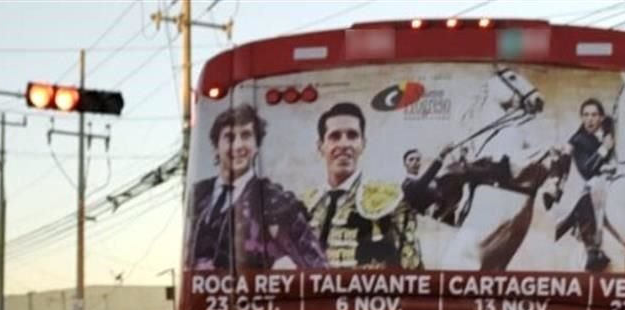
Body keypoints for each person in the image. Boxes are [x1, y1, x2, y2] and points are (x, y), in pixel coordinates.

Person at [186, 103, 326, 270]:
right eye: (229, 138)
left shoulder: (276, 202)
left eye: (246, 136)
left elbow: (317, 267)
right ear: (216, 146)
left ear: (257, 146)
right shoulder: (198, 193)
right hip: (201, 295)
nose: (238, 146)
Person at [304, 102, 424, 269]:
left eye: (352, 135)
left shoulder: (389, 201)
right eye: (334, 136)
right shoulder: (305, 205)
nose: (344, 144)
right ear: (320, 146)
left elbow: (413, 272)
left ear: (363, 143)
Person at [554, 98, 615, 272]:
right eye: (586, 115)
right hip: (589, 183)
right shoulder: (578, 140)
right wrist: (604, 149)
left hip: (612, 180)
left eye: (594, 115)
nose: (590, 119)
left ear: (601, 118)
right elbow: (587, 169)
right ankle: (592, 251)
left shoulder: (610, 131)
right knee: (585, 199)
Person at [401, 145, 454, 216]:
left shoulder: (427, 184)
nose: (415, 162)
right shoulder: (407, 184)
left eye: (418, 159)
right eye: (411, 159)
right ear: (405, 164)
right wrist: (442, 156)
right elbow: (423, 182)